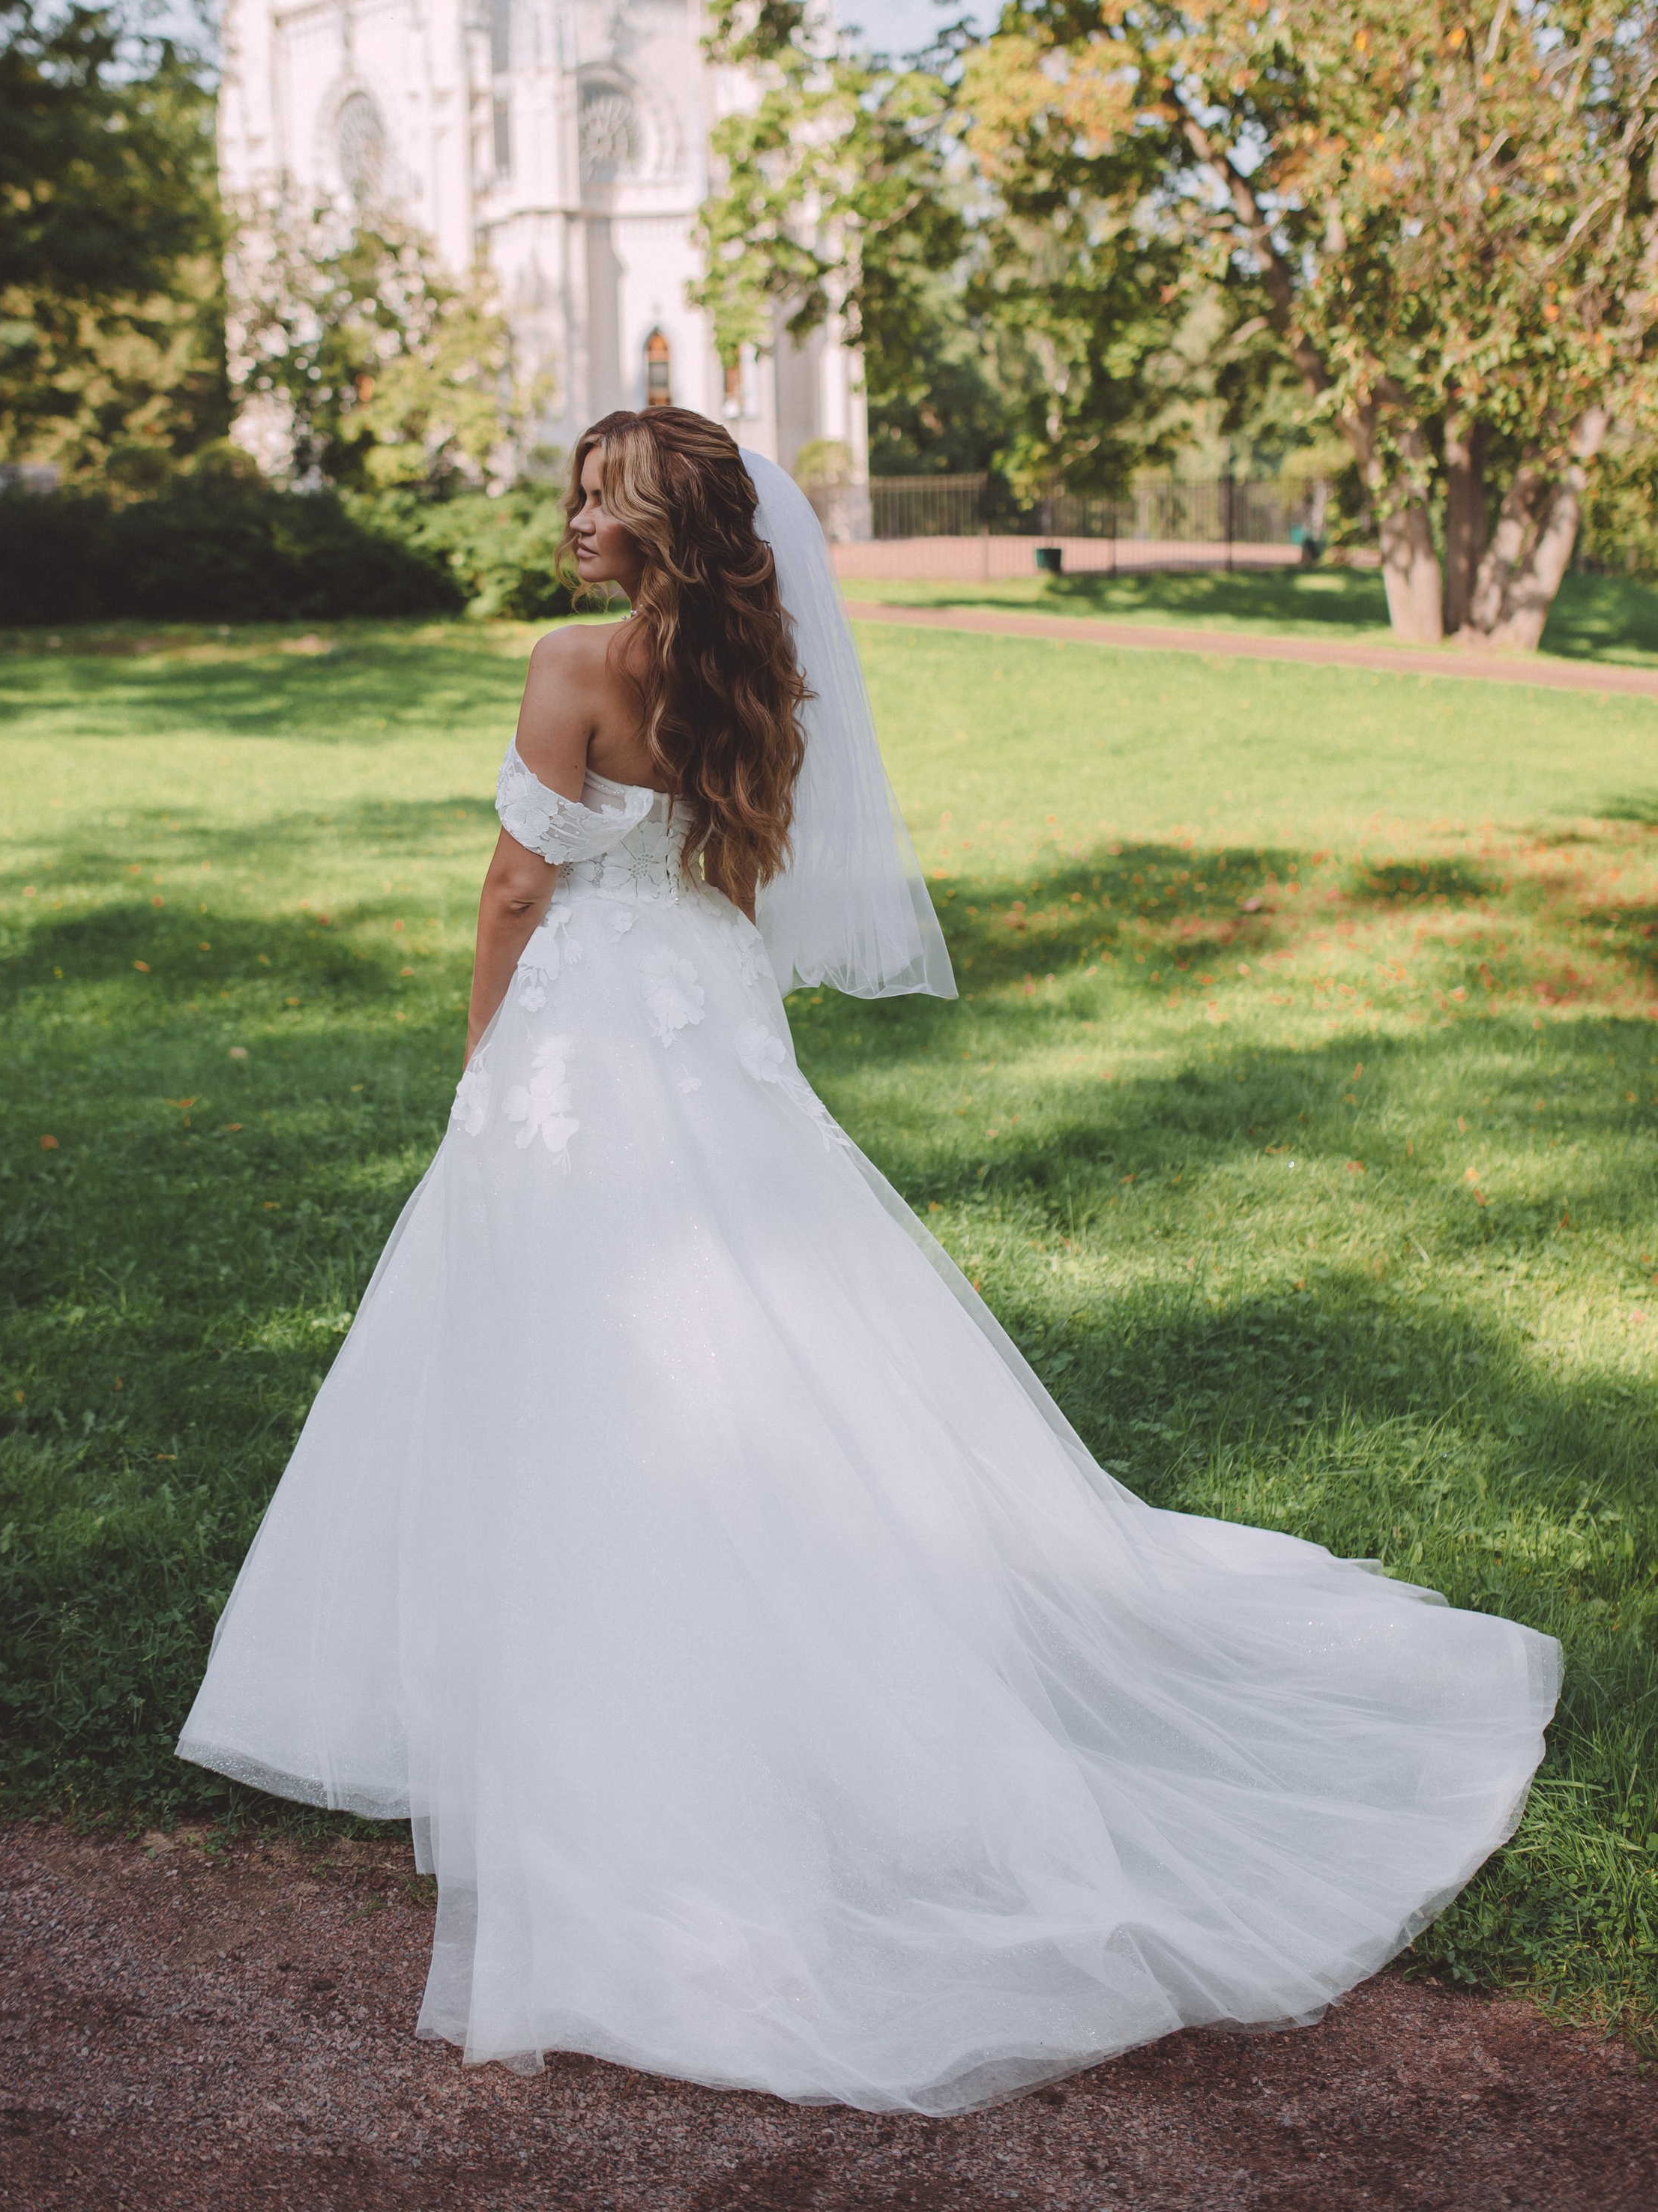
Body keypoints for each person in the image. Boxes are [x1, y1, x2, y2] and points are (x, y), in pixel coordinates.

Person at [178, 405, 1559, 2117]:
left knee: (582, 1355)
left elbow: (514, 892)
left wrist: (486, 1071)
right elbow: (731, 884)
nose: (571, 525)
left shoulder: (568, 670)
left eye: (602, 504)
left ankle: (617, 1713)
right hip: (706, 1021)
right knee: (752, 1336)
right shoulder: (756, 683)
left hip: (593, 1035)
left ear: (665, 529)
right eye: (573, 499)